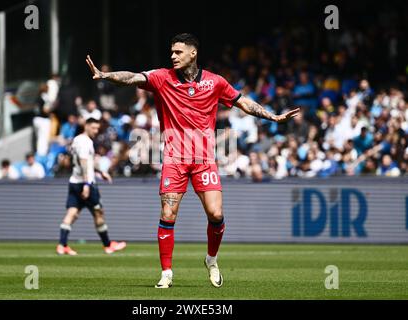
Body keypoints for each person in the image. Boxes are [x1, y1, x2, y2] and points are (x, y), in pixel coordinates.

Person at [86, 33, 300, 288]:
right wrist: (107, 75)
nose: (173, 56)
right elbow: (132, 77)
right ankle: (166, 273)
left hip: (204, 159)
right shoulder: (161, 78)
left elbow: (243, 102)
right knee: (168, 213)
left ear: (193, 53)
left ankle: (211, 259)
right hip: (174, 158)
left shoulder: (215, 82)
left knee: (216, 213)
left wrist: (273, 117)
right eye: (172, 52)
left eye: (178, 52)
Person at [56, 118, 127, 255]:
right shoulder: (85, 142)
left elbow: (88, 162)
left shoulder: (77, 139)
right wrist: (87, 184)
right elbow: (83, 163)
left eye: (97, 128)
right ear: (86, 126)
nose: (96, 131)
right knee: (98, 212)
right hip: (85, 183)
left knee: (72, 213)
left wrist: (101, 172)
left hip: (74, 181)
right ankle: (108, 245)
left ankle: (62, 245)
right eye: (93, 128)